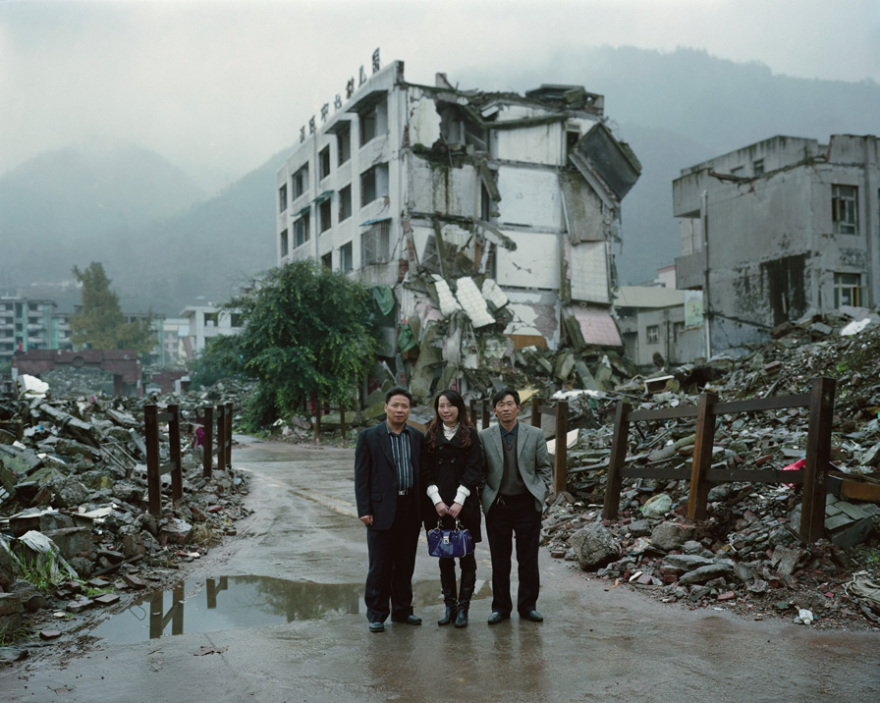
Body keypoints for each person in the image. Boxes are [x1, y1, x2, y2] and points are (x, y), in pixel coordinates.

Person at [354, 387, 424, 633]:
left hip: (409, 509)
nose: (399, 410)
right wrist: (364, 508)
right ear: (385, 407)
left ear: (409, 410)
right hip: (380, 509)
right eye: (395, 405)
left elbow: (422, 475)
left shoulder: (416, 437)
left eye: (404, 406)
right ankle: (376, 613)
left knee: (405, 564)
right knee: (380, 565)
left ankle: (403, 611)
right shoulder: (370, 437)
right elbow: (361, 476)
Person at [480, 387, 552, 624]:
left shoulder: (535, 434)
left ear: (519, 408)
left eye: (510, 403)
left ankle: (527, 606)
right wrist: (487, 496)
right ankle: (500, 608)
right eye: (501, 404)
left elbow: (544, 469)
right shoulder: (485, 436)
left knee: (528, 558)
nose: (506, 408)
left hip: (526, 504)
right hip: (498, 505)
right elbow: (480, 473)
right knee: (499, 559)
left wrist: (540, 494)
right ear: (495, 410)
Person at [421, 389, 483, 628]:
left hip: (464, 507)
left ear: (459, 407)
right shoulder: (431, 436)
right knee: (445, 558)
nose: (445, 410)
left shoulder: (471, 435)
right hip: (437, 508)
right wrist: (436, 499)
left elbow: (474, 469)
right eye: (441, 406)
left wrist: (459, 499)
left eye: (450, 405)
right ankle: (450, 606)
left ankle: (464, 609)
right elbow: (425, 472)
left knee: (467, 558)